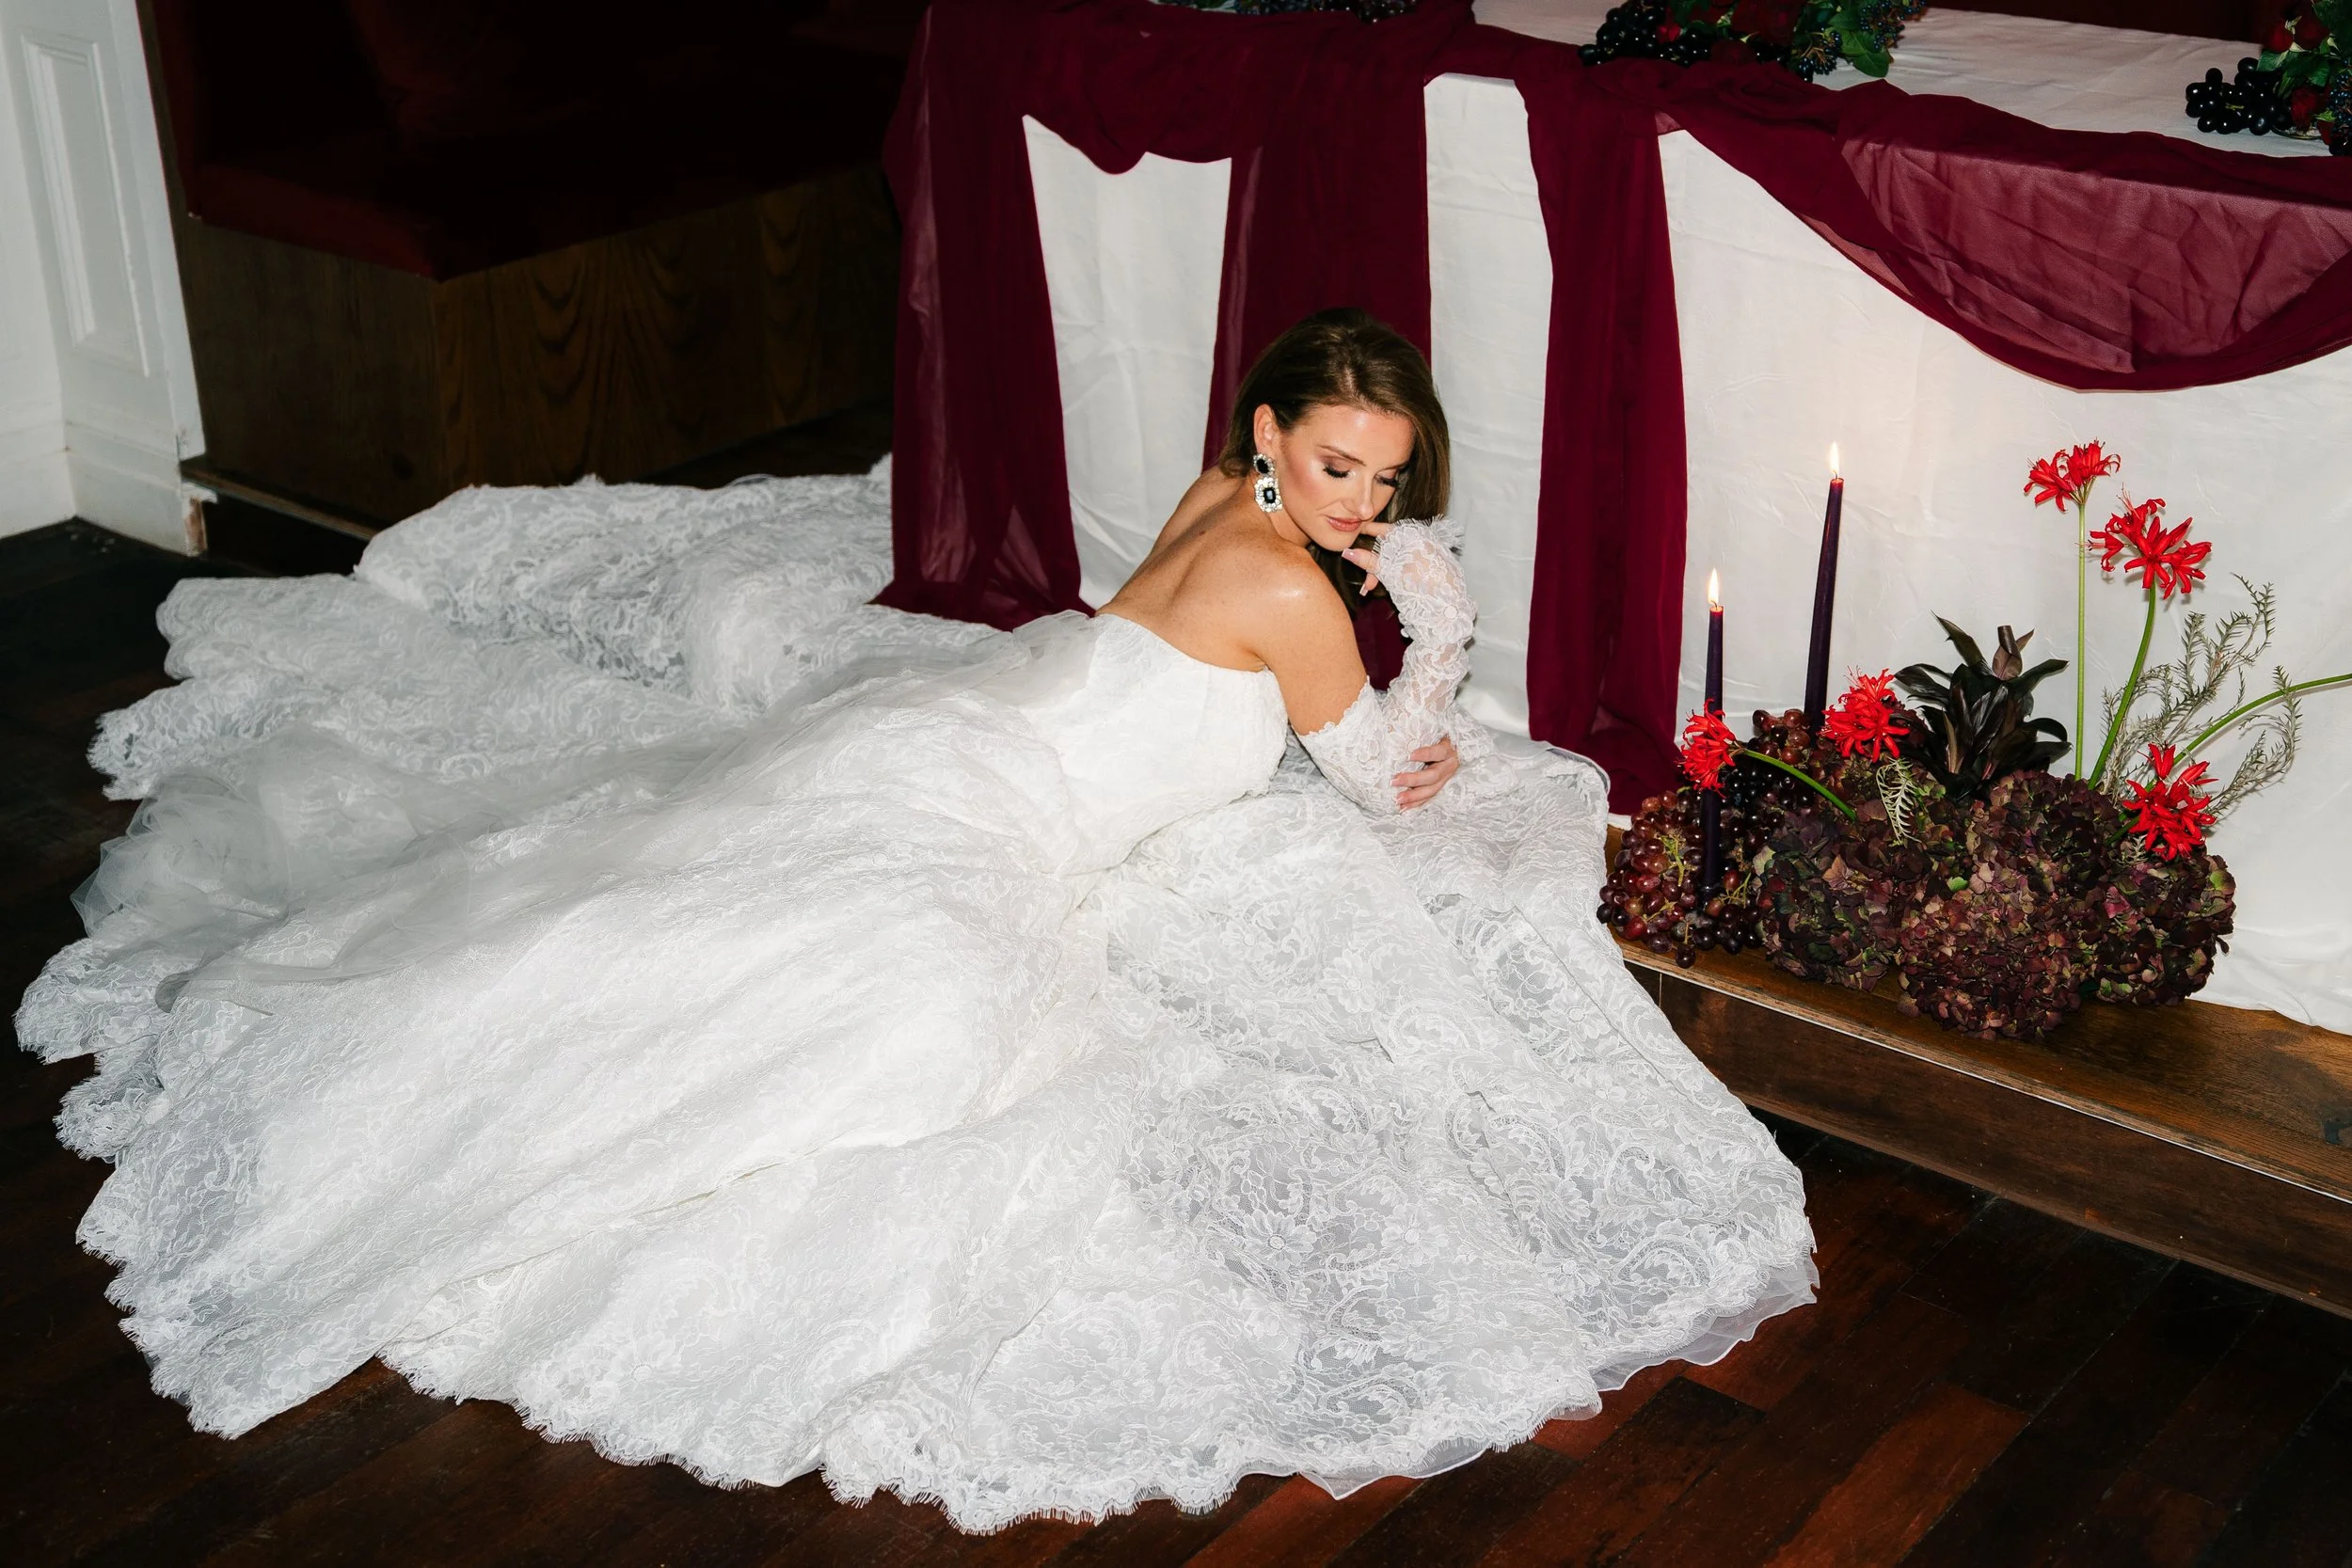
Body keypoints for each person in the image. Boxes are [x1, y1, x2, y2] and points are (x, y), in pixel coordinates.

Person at [19, 309, 1815, 1532]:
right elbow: (1368, 770)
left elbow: (1130, 623)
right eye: (1339, 464)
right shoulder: (1296, 580)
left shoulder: (1219, 505)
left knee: (684, 904)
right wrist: (1423, 696)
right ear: (1274, 435)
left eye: (1388, 479)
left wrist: (1327, 609)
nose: (1364, 502)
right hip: (999, 803)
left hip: (967, 724)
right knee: (893, 1022)